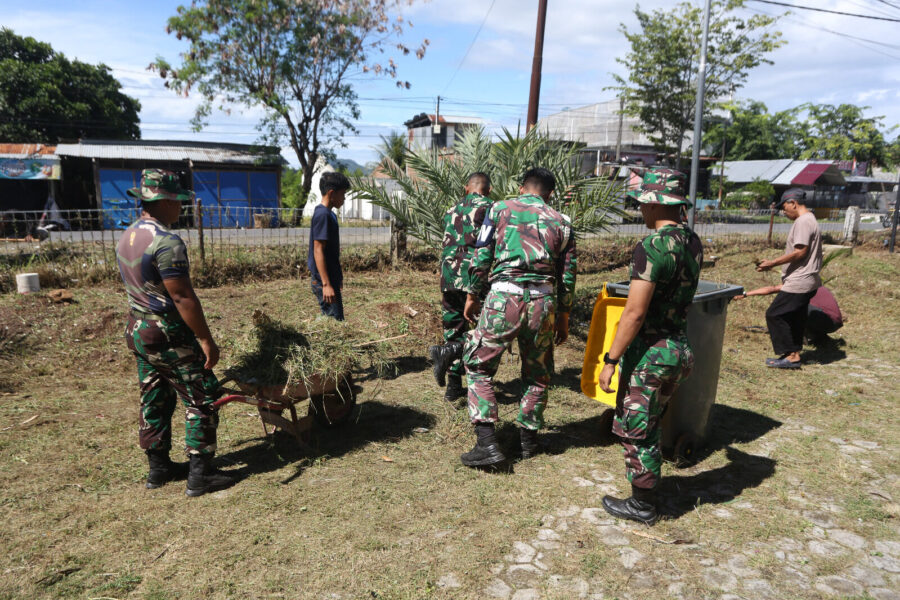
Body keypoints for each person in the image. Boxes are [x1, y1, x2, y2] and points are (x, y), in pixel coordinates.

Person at [117, 169, 234, 497]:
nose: (181, 207)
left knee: (155, 394)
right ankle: (200, 475)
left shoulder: (128, 234)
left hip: (138, 330)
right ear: (163, 201)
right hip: (165, 332)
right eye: (178, 201)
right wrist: (206, 339)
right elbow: (182, 297)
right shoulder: (166, 241)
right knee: (204, 395)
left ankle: (158, 468)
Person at [596, 168, 702, 525]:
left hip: (652, 353)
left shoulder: (652, 246)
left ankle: (642, 505)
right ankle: (648, 488)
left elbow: (634, 313)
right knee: (652, 422)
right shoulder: (692, 241)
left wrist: (610, 359)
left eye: (642, 204)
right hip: (679, 350)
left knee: (636, 427)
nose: (640, 210)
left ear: (655, 205)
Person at [458, 167, 576, 467]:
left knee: (478, 365)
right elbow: (568, 274)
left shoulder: (498, 209)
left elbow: (482, 254)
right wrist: (563, 318)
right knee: (538, 372)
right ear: (550, 194)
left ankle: (487, 444)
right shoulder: (562, 221)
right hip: (544, 302)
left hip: (504, 298)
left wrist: (472, 295)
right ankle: (528, 442)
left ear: (522, 188)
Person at [429, 172, 493, 403]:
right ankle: (479, 385)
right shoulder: (491, 208)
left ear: (466, 188)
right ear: (489, 189)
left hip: (448, 275)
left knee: (453, 328)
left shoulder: (452, 208)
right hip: (473, 277)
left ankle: (453, 387)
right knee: (484, 330)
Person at [755, 188, 822, 368]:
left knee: (775, 314)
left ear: (793, 203)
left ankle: (791, 355)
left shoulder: (803, 222)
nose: (784, 211)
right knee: (795, 317)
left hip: (799, 281)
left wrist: (773, 263)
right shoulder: (810, 219)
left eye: (784, 207)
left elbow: (800, 252)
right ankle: (793, 354)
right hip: (808, 280)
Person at [735, 284, 843, 344]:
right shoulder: (813, 282)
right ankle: (818, 337)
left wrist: (745, 294)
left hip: (826, 319)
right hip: (832, 322)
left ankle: (799, 338)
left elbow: (772, 289)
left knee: (792, 306)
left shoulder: (801, 283)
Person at [308, 172, 351, 321]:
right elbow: (318, 249)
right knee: (334, 322)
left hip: (329, 278)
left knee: (332, 319)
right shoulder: (323, 215)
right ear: (332, 193)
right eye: (343, 194)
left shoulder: (329, 214)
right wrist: (326, 284)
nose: (344, 198)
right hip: (323, 280)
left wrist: (336, 278)